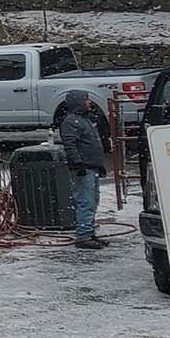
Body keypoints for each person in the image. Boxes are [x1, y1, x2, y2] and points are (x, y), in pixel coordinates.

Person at [58, 89, 108, 249]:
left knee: (93, 201)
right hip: (83, 168)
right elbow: (70, 144)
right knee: (85, 201)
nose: (89, 103)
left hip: (91, 167)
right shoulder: (71, 121)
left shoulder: (85, 120)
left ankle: (89, 232)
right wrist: (78, 163)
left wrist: (99, 165)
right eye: (86, 100)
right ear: (78, 102)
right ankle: (84, 235)